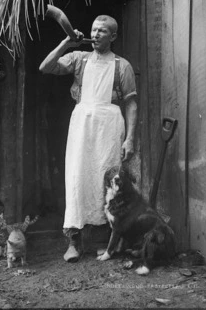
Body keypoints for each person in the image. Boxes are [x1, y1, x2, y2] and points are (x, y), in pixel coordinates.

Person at [39, 15, 137, 262]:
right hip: (82, 124)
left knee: (106, 178)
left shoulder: (122, 66)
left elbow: (132, 103)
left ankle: (104, 240)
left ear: (113, 36)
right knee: (77, 178)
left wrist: (131, 139)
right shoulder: (79, 59)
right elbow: (46, 67)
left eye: (102, 31)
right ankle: (73, 241)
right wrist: (66, 43)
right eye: (93, 30)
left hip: (110, 126)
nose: (95, 35)